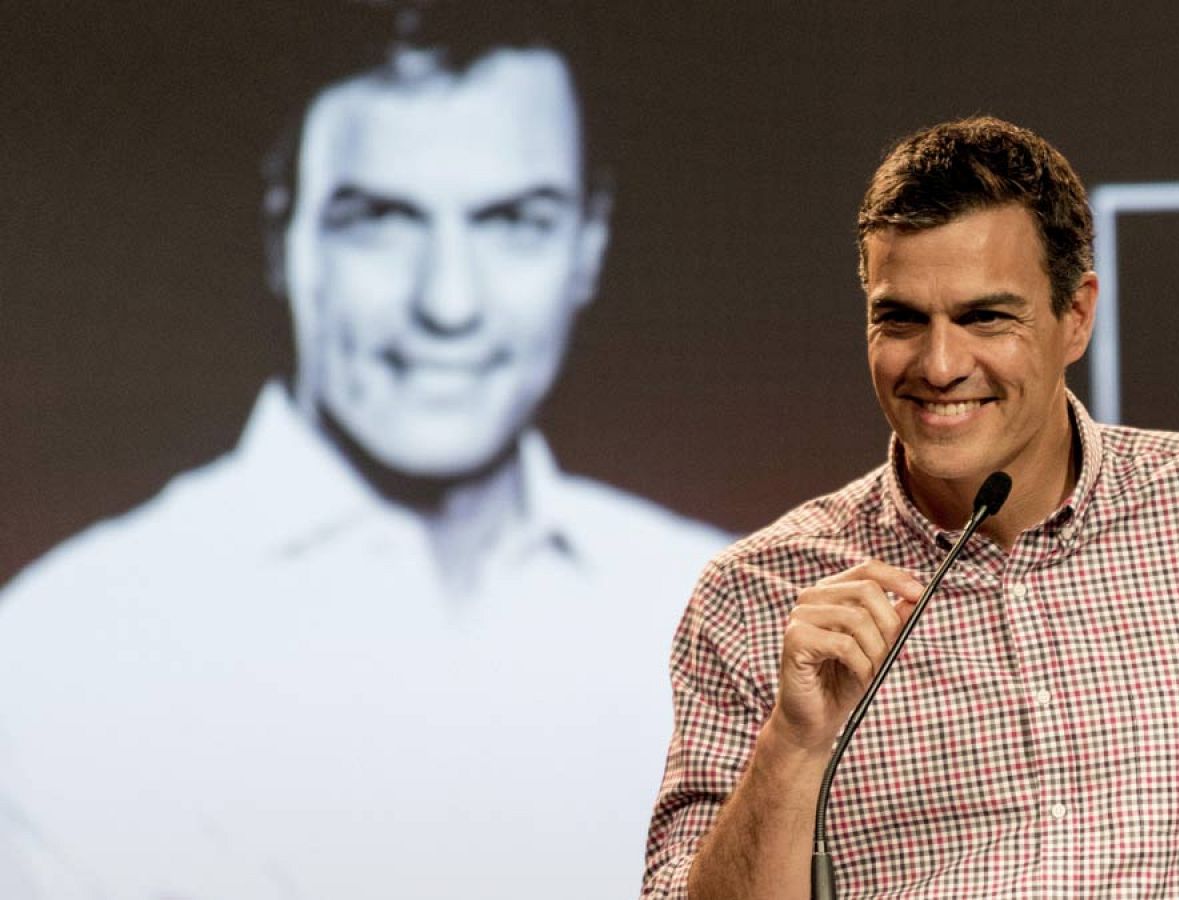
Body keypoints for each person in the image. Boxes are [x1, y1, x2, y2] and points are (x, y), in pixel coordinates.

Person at [643, 117, 1179, 898]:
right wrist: (793, 749)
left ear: (1074, 316)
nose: (939, 364)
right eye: (901, 320)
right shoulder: (759, 595)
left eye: (985, 317)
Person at [0, 28, 727, 900]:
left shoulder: (734, 620)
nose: (448, 303)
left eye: (513, 223)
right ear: (284, 238)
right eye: (379, 222)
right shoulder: (63, 656)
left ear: (589, 243)